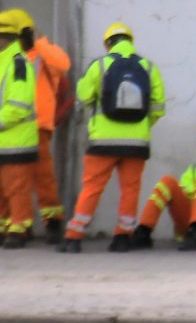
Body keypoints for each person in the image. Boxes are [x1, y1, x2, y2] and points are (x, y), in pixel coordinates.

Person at [61, 21, 168, 253]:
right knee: (130, 189)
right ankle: (122, 237)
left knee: (92, 187)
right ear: (130, 41)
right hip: (137, 143)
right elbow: (158, 108)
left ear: (108, 44)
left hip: (103, 141)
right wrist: (141, 126)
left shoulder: (99, 65)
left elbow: (83, 96)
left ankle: (74, 237)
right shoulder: (148, 67)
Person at [0, 9, 71, 242]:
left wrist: (39, 41)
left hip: (37, 126)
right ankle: (11, 223)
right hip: (9, 126)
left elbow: (63, 64)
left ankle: (52, 221)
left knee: (43, 177)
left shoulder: (42, 55)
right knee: (9, 180)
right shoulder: (3, 58)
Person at [0, 14, 41, 249]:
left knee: (16, 189)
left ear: (8, 38)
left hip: (13, 140)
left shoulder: (18, 64)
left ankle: (19, 228)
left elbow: (19, 104)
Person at [135, 125, 196, 250]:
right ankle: (143, 232)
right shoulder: (194, 168)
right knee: (167, 181)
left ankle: (195, 231)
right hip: (190, 228)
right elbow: (183, 187)